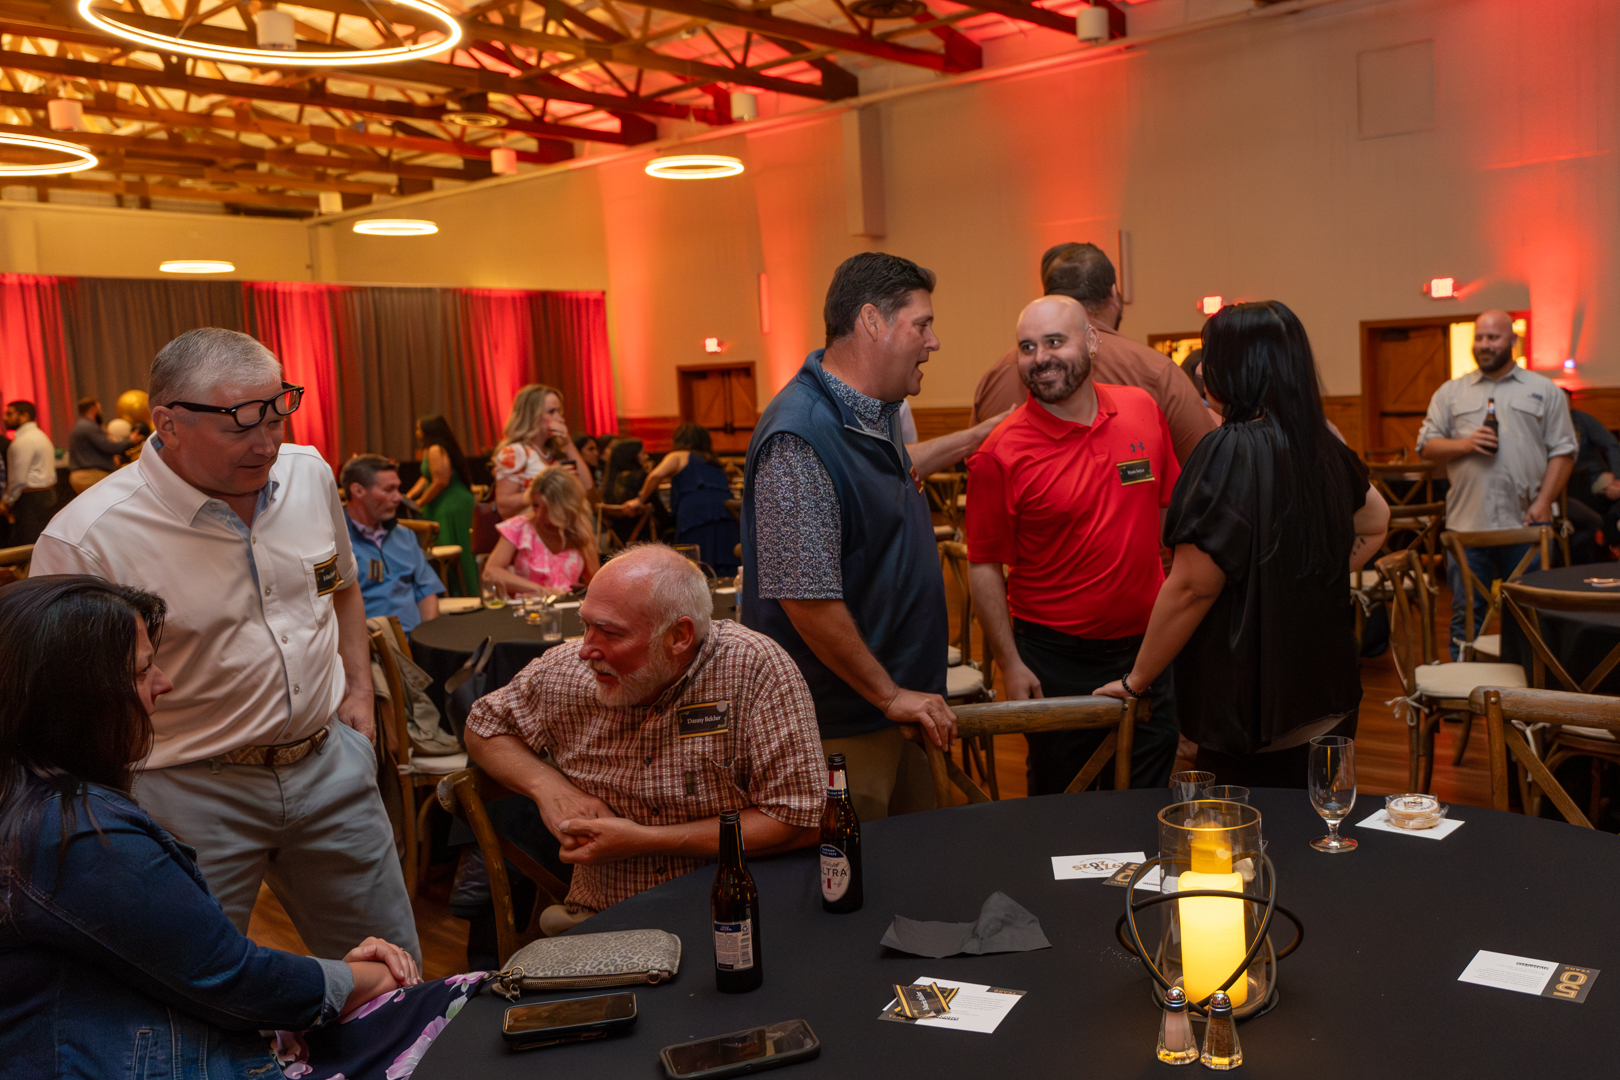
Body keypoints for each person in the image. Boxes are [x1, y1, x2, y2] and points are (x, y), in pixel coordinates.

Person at [29, 327, 422, 964]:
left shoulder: (309, 474)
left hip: (330, 768)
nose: (267, 443)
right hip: (184, 791)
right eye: (241, 425)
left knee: (399, 974)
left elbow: (343, 586)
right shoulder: (87, 539)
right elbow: (59, 707)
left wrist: (356, 691)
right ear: (168, 422)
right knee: (194, 996)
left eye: (277, 414)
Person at [0, 575, 485, 1080]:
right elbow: (231, 977)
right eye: (144, 670)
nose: (164, 683)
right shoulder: (76, 835)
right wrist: (367, 976)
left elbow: (189, 965)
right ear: (78, 702)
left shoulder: (31, 804)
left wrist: (332, 980)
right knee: (462, 1014)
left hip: (145, 1038)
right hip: (160, 1057)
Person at [1095, 301, 1389, 787]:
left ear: (1236, 366)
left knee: (1245, 848)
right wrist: (1309, 574)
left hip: (1257, 706)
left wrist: (1136, 679)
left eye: (1210, 353)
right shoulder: (1320, 442)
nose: (1205, 367)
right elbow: (1376, 520)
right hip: (1329, 697)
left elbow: (1192, 586)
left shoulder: (1229, 449)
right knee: (1312, 831)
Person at [465, 544, 824, 933]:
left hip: (739, 911)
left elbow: (799, 817)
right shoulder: (566, 674)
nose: (586, 650)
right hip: (610, 920)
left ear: (679, 636)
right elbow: (484, 726)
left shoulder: (752, 669)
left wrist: (646, 840)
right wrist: (547, 786)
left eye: (609, 632)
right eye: (585, 624)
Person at [743, 252, 964, 822]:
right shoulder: (801, 435)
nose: (933, 341)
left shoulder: (874, 413)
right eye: (922, 324)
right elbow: (806, 598)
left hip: (891, 715)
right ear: (872, 321)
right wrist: (889, 693)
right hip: (842, 731)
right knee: (853, 893)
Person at [967, 296, 1183, 794]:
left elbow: (1167, 512)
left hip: (1147, 654)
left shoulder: (1141, 410)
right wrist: (1009, 663)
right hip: (1054, 661)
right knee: (1064, 804)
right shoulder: (1000, 454)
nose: (1040, 357)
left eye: (1054, 341)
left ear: (1090, 341)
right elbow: (983, 566)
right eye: (1027, 347)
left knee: (1147, 795)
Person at [1416, 310, 1576, 658]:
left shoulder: (1544, 390)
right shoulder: (1451, 392)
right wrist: (1465, 444)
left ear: (1513, 340)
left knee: (1529, 614)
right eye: (1480, 338)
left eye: (1493, 337)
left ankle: (1524, 701)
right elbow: (1426, 445)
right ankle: (1462, 700)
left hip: (1527, 526)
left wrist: (1542, 502)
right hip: (1467, 526)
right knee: (1467, 614)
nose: (1485, 345)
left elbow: (1564, 451)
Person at [968, 242, 1218, 464]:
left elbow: (977, 465)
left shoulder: (996, 377)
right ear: (1113, 295)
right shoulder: (1156, 372)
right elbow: (1207, 470)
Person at [343, 453, 445, 633]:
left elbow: (427, 591)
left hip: (414, 644)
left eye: (398, 489)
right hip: (371, 649)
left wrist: (428, 644)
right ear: (358, 491)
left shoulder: (405, 536)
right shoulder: (335, 542)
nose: (398, 498)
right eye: (389, 490)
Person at [626, 423, 741, 576]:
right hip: (726, 513)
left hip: (696, 513)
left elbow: (655, 475)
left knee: (695, 564)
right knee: (724, 567)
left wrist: (639, 499)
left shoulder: (678, 455)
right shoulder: (713, 461)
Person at [485, 466, 600, 596]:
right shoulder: (520, 526)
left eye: (547, 509)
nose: (539, 514)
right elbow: (490, 571)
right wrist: (538, 589)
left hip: (569, 607)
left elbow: (595, 582)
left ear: (563, 507)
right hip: (530, 608)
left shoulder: (579, 529)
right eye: (535, 505)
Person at [492, 383, 596, 518]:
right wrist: (544, 487)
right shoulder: (515, 452)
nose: (560, 418)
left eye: (560, 411)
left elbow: (587, 486)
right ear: (532, 415)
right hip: (530, 531)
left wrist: (568, 443)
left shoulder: (553, 450)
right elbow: (504, 506)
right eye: (551, 412)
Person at [406, 415, 479, 596]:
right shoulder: (430, 449)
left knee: (451, 543)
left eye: (419, 429)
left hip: (451, 503)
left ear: (428, 431)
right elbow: (427, 477)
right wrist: (409, 496)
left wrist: (421, 501)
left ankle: (462, 593)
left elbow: (441, 480)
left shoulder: (435, 449)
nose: (416, 432)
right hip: (444, 501)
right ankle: (457, 592)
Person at [3, 400, 58, 547]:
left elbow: (18, 479)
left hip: (31, 499)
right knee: (42, 543)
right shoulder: (39, 435)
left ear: (24, 416)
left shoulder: (23, 440)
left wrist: (7, 501)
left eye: (9, 413)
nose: (4, 417)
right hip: (46, 495)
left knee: (29, 545)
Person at [68, 396, 140, 493]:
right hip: (91, 476)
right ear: (94, 408)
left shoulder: (80, 425)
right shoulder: (89, 426)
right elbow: (109, 447)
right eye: (99, 407)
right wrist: (130, 441)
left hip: (81, 476)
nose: (100, 410)